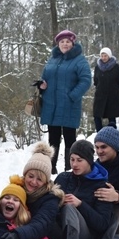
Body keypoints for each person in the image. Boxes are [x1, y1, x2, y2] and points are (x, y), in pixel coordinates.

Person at [38, 29, 92, 174]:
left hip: (69, 105)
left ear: (72, 43)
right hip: (51, 104)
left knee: (70, 138)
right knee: (53, 138)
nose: (65, 44)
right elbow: (45, 77)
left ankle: (70, 169)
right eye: (62, 42)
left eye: (68, 41)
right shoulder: (52, 59)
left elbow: (86, 80)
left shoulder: (79, 60)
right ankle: (51, 168)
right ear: (58, 44)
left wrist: (72, 96)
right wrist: (42, 86)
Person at [55, 140, 114, 239]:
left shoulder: (101, 186)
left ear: (89, 161)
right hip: (59, 234)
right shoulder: (63, 178)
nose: (74, 164)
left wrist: (81, 205)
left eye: (79, 160)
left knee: (70, 207)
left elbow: (102, 224)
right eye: (72, 159)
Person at [92, 47, 119, 131]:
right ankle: (99, 134)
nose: (103, 57)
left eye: (105, 55)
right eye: (102, 55)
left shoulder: (116, 67)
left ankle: (111, 134)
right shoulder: (97, 67)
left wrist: (115, 90)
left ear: (109, 56)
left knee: (111, 117)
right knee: (97, 116)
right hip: (100, 96)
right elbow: (95, 81)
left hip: (112, 96)